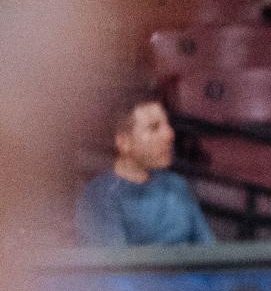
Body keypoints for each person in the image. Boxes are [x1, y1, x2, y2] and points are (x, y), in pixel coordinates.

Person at [77, 90, 215, 247]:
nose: (169, 134)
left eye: (167, 124)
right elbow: (113, 268)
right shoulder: (100, 196)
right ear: (124, 142)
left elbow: (209, 252)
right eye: (154, 128)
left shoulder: (177, 185)